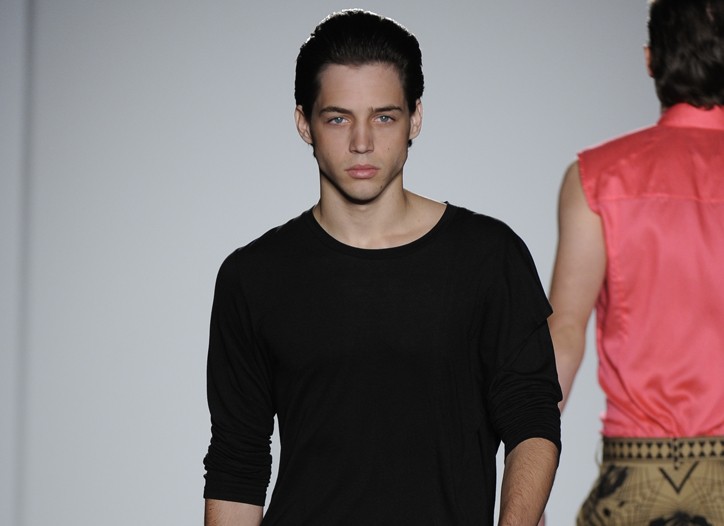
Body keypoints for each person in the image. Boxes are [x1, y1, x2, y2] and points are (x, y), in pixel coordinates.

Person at [203, 9, 561, 526]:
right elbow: (238, 461)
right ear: (304, 122)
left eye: (384, 117)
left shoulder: (488, 256)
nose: (362, 142)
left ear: (416, 118)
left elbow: (531, 416)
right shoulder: (253, 277)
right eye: (338, 118)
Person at [548, 0, 724, 523]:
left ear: (650, 60)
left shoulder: (596, 177)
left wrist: (525, 482)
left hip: (635, 474)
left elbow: (564, 334)